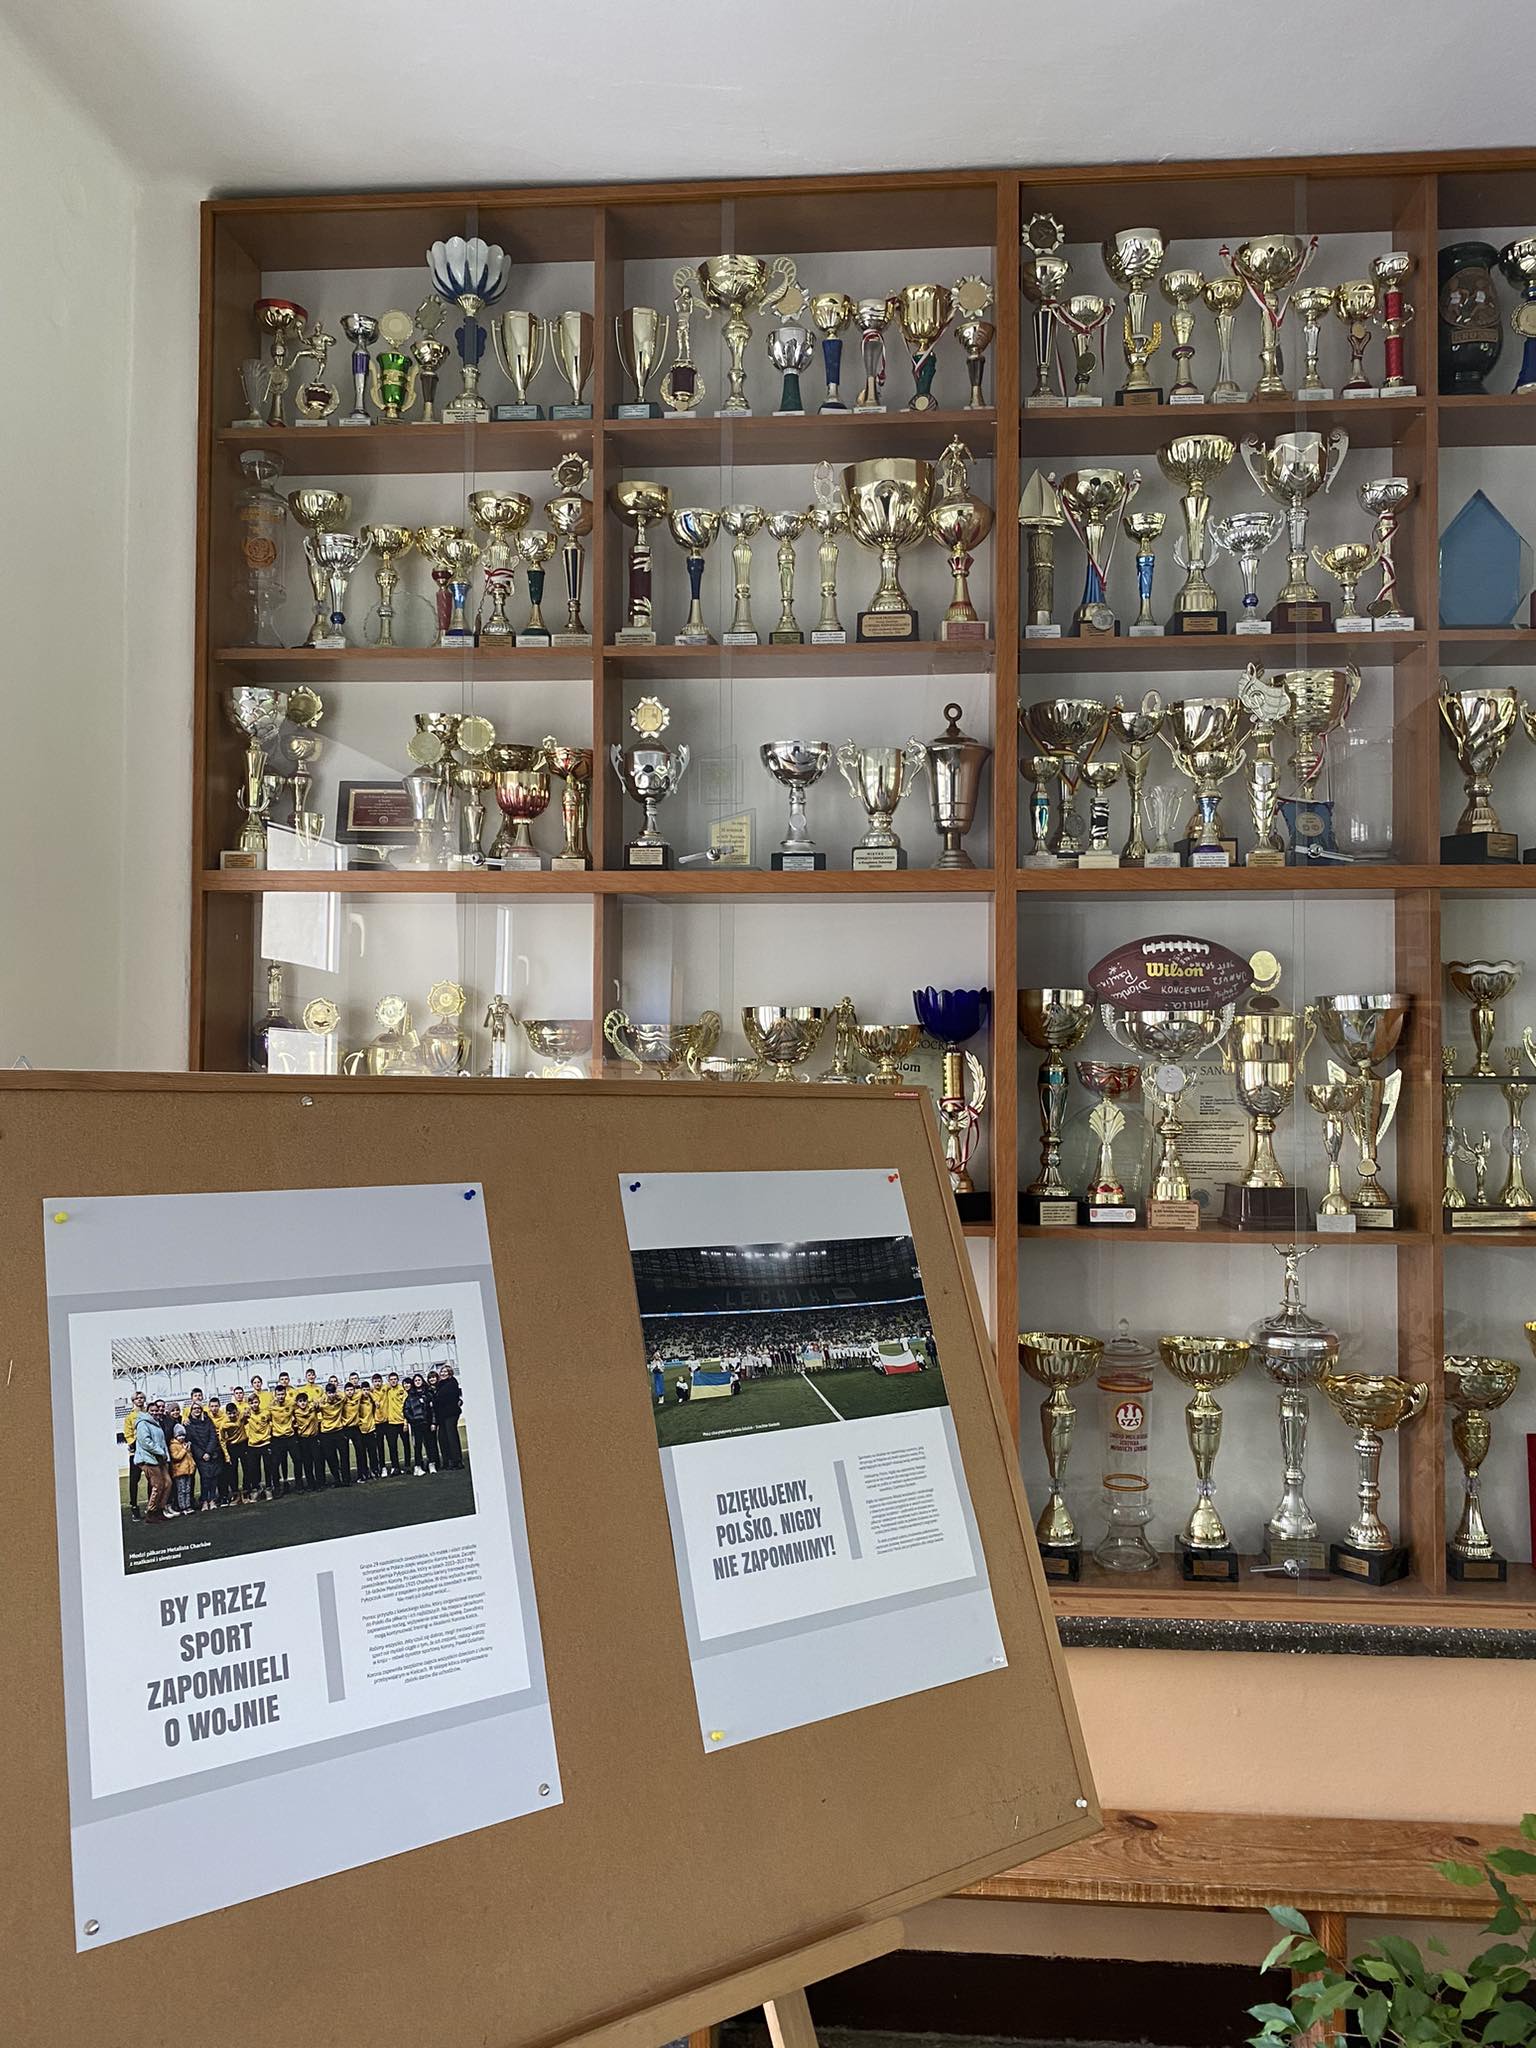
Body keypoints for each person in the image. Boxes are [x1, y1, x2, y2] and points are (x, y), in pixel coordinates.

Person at [133, 1403, 174, 1521]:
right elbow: (146, 1442)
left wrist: (165, 1456)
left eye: (157, 1410)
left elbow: (162, 1442)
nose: (155, 1412)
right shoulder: (142, 1423)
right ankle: (151, 1512)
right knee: (157, 1485)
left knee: (168, 1483)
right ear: (147, 1411)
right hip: (148, 1459)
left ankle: (160, 1509)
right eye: (152, 1410)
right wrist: (160, 1452)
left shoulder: (157, 1423)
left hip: (160, 1459)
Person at [185, 1396, 222, 1513]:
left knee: (214, 1477)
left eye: (198, 1408)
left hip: (212, 1453)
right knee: (205, 1478)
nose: (196, 1410)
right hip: (200, 1456)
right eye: (194, 1408)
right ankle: (205, 1500)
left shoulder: (207, 1420)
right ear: (191, 1410)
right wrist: (202, 1454)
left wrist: (208, 1452)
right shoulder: (188, 1424)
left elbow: (213, 1436)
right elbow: (192, 1442)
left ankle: (212, 1500)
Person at [431, 1364, 463, 1469]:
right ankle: (447, 1461)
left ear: (450, 1373)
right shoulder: (440, 1384)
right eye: (442, 1372)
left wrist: (435, 1401)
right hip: (442, 1416)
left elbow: (446, 1398)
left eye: (445, 1372)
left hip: (451, 1414)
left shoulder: (452, 1383)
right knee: (443, 1438)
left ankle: (457, 1461)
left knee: (451, 1437)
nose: (443, 1373)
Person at [123, 1391, 149, 1519]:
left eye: (142, 1398)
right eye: (137, 1398)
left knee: (152, 1479)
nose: (139, 1400)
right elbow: (128, 1434)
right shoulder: (130, 1417)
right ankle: (134, 1506)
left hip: (148, 1452)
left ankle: (152, 1505)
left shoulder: (148, 1413)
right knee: (134, 1480)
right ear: (133, 1401)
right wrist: (135, 1444)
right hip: (136, 1452)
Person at [243, 1391, 273, 1500]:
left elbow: (272, 1422)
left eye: (255, 1402)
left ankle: (269, 1488)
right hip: (252, 1445)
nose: (254, 1405)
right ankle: (256, 1488)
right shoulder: (246, 1415)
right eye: (251, 1403)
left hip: (266, 1443)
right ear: (249, 1404)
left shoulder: (266, 1413)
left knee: (268, 1467)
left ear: (259, 1402)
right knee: (253, 1469)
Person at [404, 1375, 436, 1475]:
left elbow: (433, 1410)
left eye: (419, 1380)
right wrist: (413, 1420)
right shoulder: (410, 1396)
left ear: (422, 1381)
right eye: (415, 1380)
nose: (417, 1382)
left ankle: (431, 1465)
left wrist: (433, 1422)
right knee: (417, 1446)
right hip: (416, 1425)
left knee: (430, 1445)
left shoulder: (428, 1394)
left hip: (427, 1424)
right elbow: (406, 1410)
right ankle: (417, 1467)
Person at [268, 1379, 295, 1495]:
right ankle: (277, 1487)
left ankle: (299, 1485)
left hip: (290, 1437)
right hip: (277, 1438)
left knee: (297, 1460)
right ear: (275, 1395)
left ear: (285, 1394)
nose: (280, 1396)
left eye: (282, 1394)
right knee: (275, 1464)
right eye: (278, 1394)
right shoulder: (271, 1407)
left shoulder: (291, 1404)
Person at [318, 1378, 347, 1488]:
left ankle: (346, 1479)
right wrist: (324, 1397)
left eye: (333, 1392)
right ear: (326, 1393)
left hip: (339, 1431)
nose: (331, 1395)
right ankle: (337, 1479)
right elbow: (316, 1405)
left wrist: (336, 1394)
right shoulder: (322, 1405)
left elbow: (343, 1396)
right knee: (331, 1458)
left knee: (344, 1456)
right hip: (326, 1434)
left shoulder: (340, 1401)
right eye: (329, 1393)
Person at [292, 1391, 321, 1492]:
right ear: (297, 1403)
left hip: (314, 1438)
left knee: (317, 1461)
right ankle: (310, 1484)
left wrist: (316, 1403)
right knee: (307, 1463)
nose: (303, 1403)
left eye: (304, 1401)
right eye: (300, 1401)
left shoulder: (313, 1409)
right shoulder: (295, 1412)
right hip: (303, 1439)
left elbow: (320, 1403)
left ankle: (319, 1483)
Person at [221, 1401, 247, 1505]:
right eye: (229, 1414)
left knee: (248, 1468)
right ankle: (236, 1494)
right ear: (226, 1413)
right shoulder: (224, 1424)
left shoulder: (241, 1415)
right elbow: (222, 1440)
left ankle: (246, 1492)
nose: (232, 1415)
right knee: (232, 1471)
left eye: (234, 1413)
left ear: (237, 1411)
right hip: (232, 1447)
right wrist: (226, 1455)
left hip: (243, 1444)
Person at [169, 1423, 196, 1515]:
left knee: (187, 1489)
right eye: (179, 1435)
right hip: (179, 1472)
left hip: (188, 1471)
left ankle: (188, 1506)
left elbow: (189, 1457)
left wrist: (192, 1464)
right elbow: (176, 1457)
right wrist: (184, 1450)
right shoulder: (173, 1445)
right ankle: (182, 1507)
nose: (181, 1437)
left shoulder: (184, 1444)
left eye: (183, 1435)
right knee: (181, 1490)